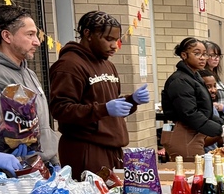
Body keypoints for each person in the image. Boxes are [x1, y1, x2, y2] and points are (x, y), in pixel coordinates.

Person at [49, 11, 151, 176]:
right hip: (86, 149)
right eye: (108, 39)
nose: (114, 46)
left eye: (116, 40)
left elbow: (108, 104)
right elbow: (60, 109)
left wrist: (132, 101)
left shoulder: (107, 65)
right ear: (88, 34)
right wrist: (104, 109)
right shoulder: (69, 65)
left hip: (113, 148)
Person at [0, 5, 59, 168]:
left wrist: (54, 162)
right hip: (12, 173)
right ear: (7, 36)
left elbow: (42, 124)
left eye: (36, 35)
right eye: (30, 34)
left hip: (41, 167)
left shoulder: (29, 73)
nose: (37, 42)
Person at [161, 37, 224, 160]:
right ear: (184, 55)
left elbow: (204, 108)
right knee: (192, 172)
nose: (203, 58)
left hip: (194, 133)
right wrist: (219, 130)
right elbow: (189, 113)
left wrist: (222, 124)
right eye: (197, 53)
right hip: (183, 134)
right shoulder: (180, 80)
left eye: (204, 54)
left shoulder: (195, 76)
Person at [204, 40, 224, 108]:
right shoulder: (203, 76)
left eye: (218, 55)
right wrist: (221, 107)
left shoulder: (215, 75)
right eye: (212, 55)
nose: (216, 58)